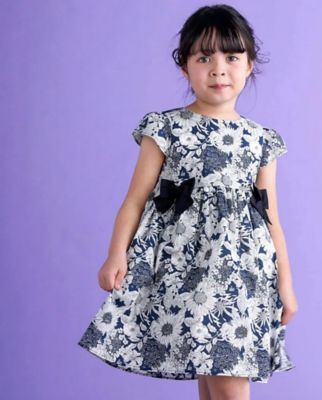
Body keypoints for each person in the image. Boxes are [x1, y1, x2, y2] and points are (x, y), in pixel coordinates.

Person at [78, 4, 299, 399]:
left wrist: (286, 284)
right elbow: (135, 201)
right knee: (212, 373)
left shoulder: (262, 140)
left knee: (226, 372)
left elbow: (271, 220)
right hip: (187, 273)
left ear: (250, 65)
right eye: (204, 58)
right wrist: (116, 254)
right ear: (185, 67)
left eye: (232, 57)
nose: (218, 69)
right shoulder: (165, 128)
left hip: (243, 277)